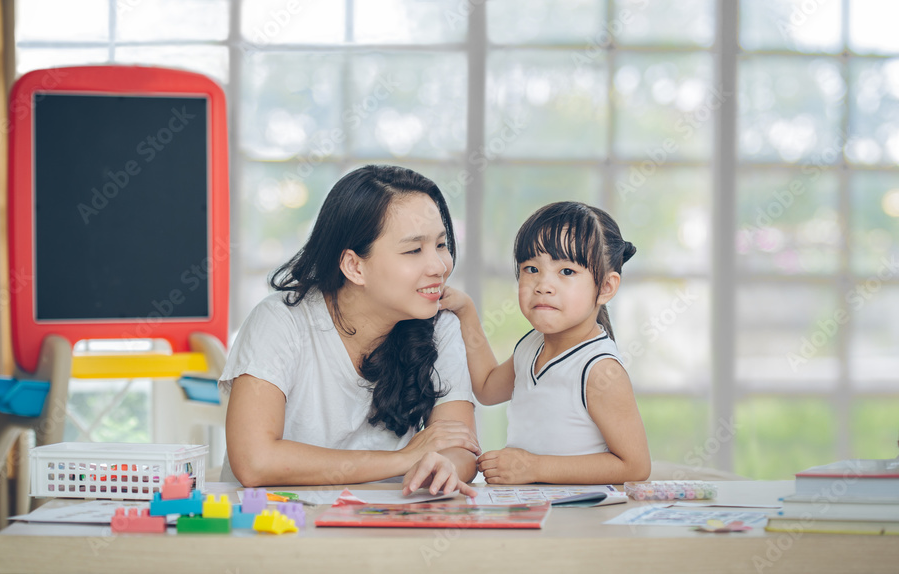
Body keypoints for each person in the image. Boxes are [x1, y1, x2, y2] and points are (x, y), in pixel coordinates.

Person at [220, 165, 480, 496]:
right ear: (354, 266)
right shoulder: (280, 321)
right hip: (275, 532)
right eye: (414, 250)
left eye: (441, 244)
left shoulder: (440, 324)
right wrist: (404, 459)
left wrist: (447, 466)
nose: (439, 266)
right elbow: (255, 461)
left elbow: (460, 448)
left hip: (383, 530)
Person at [440, 201, 651, 485]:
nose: (542, 285)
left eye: (566, 272)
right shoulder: (532, 346)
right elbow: (488, 389)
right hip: (534, 510)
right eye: (531, 268)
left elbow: (635, 466)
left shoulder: (600, 370)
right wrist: (467, 313)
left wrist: (535, 468)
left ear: (605, 287)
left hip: (579, 518)